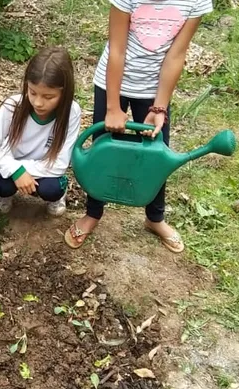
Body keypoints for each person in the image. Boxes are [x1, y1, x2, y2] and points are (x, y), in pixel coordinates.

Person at [65, 0, 213, 253]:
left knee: (157, 154)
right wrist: (113, 107)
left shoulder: (196, 2)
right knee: (102, 149)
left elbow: (176, 55)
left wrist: (159, 107)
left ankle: (155, 218)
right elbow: (117, 49)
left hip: (155, 90)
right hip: (112, 83)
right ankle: (93, 213)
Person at [0, 47, 82, 217]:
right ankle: (5, 194)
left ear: (65, 92)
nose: (38, 102)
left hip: (45, 172)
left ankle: (57, 197)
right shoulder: (12, 106)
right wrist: (16, 171)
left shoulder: (72, 112)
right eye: (32, 92)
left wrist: (21, 171)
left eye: (48, 97)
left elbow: (60, 163)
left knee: (52, 189)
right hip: (13, 167)